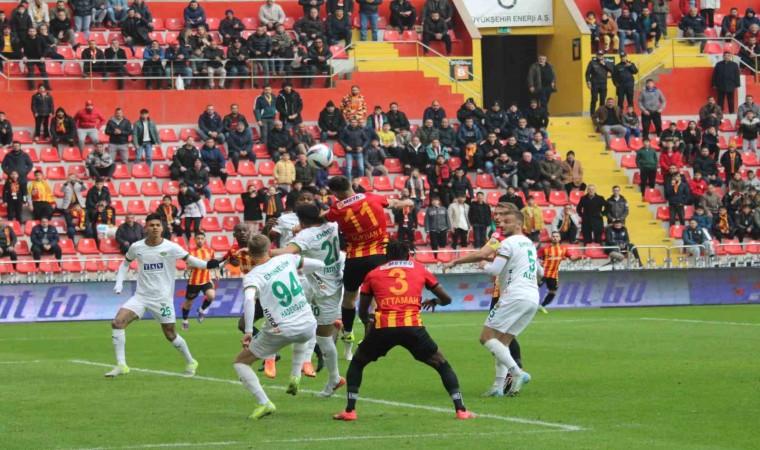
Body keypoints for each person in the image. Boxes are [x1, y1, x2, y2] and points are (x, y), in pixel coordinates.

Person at [333, 239, 473, 421]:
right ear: (408, 254)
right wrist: (435, 301)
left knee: (358, 363)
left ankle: (350, 411)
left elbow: (363, 309)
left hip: (383, 329)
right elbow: (447, 299)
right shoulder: (419, 269)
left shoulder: (374, 274)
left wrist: (368, 322)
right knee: (442, 363)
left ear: (386, 256)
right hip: (412, 328)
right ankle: (461, 410)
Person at [107, 213, 220, 377]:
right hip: (141, 297)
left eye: (157, 225)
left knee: (170, 334)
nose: (154, 228)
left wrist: (208, 265)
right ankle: (121, 365)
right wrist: (119, 283)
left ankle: (191, 361)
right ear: (146, 228)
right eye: (151, 225)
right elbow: (125, 264)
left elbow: (191, 260)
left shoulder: (171, 247)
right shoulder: (137, 247)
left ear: (162, 228)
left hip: (162, 299)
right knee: (117, 323)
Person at [232, 233, 323, 419]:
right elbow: (319, 264)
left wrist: (248, 331)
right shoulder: (287, 259)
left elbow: (249, 300)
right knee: (301, 335)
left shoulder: (252, 276)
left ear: (250, 254)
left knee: (240, 362)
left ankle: (264, 403)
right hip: (308, 325)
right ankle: (295, 375)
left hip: (281, 329)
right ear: (269, 249)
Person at [325, 175, 414, 360]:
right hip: (378, 256)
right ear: (350, 185)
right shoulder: (373, 198)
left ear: (335, 193)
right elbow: (396, 204)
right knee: (376, 297)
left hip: (355, 259)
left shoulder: (337, 209)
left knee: (349, 299)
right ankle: (372, 332)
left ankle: (348, 332)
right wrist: (408, 202)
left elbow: (321, 218)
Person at [269, 203, 346, 389]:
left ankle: (335, 378)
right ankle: (297, 370)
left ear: (301, 219)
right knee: (302, 325)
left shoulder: (306, 236)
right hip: (324, 283)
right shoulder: (332, 225)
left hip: (325, 291)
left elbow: (286, 253)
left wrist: (263, 252)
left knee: (322, 337)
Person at [478, 208, 541, 397]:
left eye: (507, 221)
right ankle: (498, 386)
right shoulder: (529, 244)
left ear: (519, 224)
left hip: (514, 295)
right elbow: (541, 272)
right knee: (502, 343)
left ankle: (517, 372)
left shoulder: (507, 243)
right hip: (532, 297)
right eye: (501, 221)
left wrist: (484, 265)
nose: (502, 224)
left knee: (486, 337)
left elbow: (494, 270)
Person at [179, 232, 217, 329]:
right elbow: (188, 266)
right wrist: (201, 262)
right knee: (189, 303)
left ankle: (201, 310)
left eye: (202, 238)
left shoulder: (210, 251)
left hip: (206, 280)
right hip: (194, 281)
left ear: (204, 240)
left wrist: (216, 273)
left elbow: (213, 263)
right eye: (198, 238)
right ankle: (185, 320)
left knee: (211, 295)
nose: (200, 240)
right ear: (195, 240)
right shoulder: (191, 253)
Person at [536, 231, 578, 314]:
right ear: (551, 238)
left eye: (557, 236)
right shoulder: (545, 248)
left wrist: (578, 258)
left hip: (554, 275)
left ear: (560, 238)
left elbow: (572, 258)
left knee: (553, 292)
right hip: (543, 273)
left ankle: (542, 306)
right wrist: (539, 262)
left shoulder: (563, 249)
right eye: (553, 236)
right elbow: (536, 258)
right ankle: (529, 305)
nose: (555, 238)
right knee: (534, 289)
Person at [586, 50, 613, 115]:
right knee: (594, 99)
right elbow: (587, 73)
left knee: (602, 100)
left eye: (601, 55)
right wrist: (588, 82)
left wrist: (604, 65)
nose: (600, 56)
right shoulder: (592, 62)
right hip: (595, 84)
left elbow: (612, 71)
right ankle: (592, 114)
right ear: (596, 55)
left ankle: (601, 114)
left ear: (603, 55)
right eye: (599, 55)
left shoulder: (607, 63)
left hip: (603, 84)